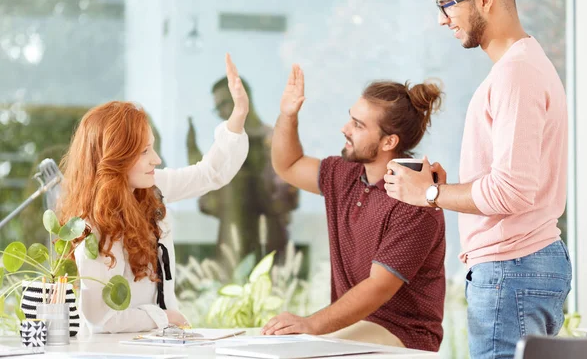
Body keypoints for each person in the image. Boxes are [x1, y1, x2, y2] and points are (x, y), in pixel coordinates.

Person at [384, 0, 571, 357]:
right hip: (522, 265)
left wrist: (430, 193)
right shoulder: (523, 67)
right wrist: (445, 189)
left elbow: (512, 191)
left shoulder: (516, 75)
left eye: (447, 4)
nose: (442, 19)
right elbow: (512, 183)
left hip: (511, 268)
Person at [59, 54, 250, 333]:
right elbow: (100, 319)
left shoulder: (150, 188)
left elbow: (209, 173)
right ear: (115, 158)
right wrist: (164, 318)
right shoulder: (91, 226)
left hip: (159, 344)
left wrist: (239, 114)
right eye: (145, 151)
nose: (157, 159)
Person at [261, 65, 446, 352]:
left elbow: (378, 287)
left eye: (359, 125)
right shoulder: (344, 173)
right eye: (351, 119)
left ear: (389, 141)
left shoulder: (416, 201)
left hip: (404, 336)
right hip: (354, 327)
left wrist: (310, 325)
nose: (345, 129)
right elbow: (288, 165)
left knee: (301, 353)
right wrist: (288, 115)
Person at [186, 76, 299, 268]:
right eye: (217, 108)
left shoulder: (274, 141)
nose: (221, 113)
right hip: (232, 249)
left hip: (269, 250)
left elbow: (287, 198)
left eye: (224, 104)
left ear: (242, 100)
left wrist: (249, 180)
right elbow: (210, 204)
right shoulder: (223, 149)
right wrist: (196, 163)